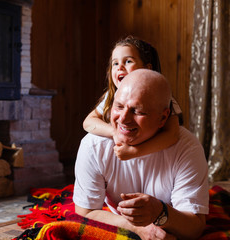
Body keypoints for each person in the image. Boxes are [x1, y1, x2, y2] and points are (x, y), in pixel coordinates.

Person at [73, 69, 209, 240]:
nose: (123, 119)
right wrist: (138, 228)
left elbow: (195, 227)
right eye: (119, 106)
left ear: (163, 118)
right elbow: (86, 212)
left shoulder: (187, 148)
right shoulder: (93, 145)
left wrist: (160, 212)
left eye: (138, 111)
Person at [83, 36, 182, 160]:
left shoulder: (160, 96)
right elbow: (88, 122)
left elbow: (172, 134)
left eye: (128, 61)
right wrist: (114, 132)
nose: (120, 67)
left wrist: (134, 152)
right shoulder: (112, 94)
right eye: (115, 63)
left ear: (147, 68)